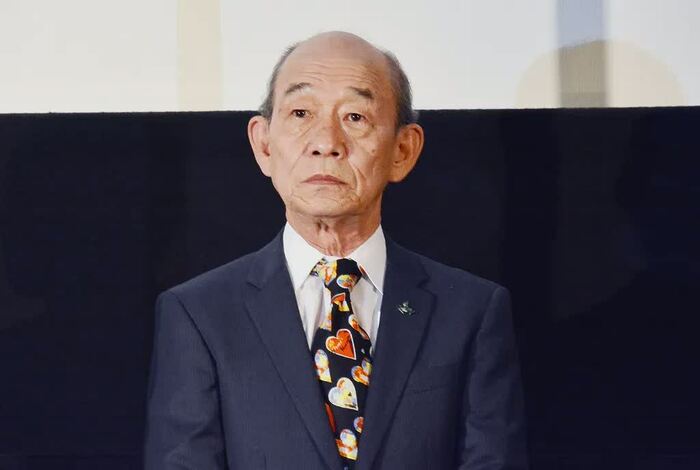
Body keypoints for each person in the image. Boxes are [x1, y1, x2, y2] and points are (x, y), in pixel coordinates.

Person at [144, 31, 528, 469]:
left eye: (355, 117)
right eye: (301, 113)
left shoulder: (471, 312)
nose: (326, 142)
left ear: (403, 150)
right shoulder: (199, 314)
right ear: (264, 144)